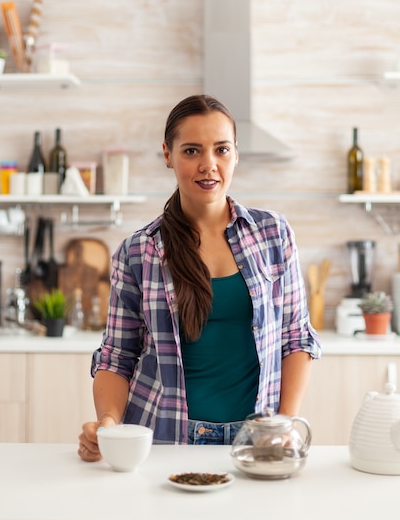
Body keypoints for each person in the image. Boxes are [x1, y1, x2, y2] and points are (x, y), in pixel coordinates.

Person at [78, 94, 321, 460]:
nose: (209, 165)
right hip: (163, 439)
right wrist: (108, 424)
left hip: (257, 441)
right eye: (191, 151)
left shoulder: (274, 235)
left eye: (221, 150)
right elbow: (117, 356)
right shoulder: (138, 251)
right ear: (168, 155)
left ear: (236, 154)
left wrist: (283, 424)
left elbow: (296, 339)